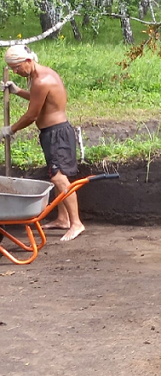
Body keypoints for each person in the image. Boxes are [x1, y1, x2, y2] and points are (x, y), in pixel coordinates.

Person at [1, 45, 83, 241]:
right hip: (51, 133)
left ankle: (76, 223)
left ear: (28, 61)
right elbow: (39, 99)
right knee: (56, 176)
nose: (15, 71)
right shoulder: (42, 76)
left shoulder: (41, 80)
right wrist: (18, 90)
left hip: (57, 134)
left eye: (17, 67)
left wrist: (11, 129)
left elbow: (32, 114)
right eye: (12, 68)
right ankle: (62, 219)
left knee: (59, 178)